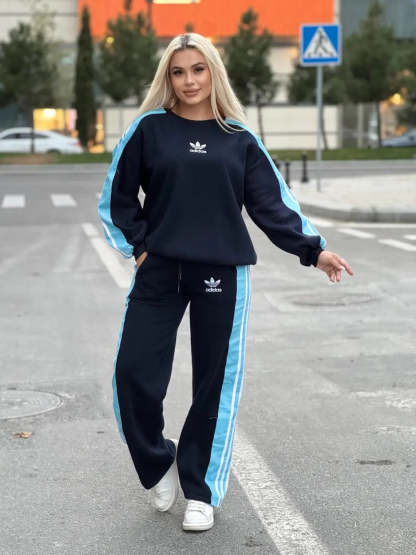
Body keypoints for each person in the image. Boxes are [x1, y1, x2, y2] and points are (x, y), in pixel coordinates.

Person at [97, 32, 354, 533]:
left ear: (213, 71)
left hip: (222, 272)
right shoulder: (149, 129)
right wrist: (141, 248)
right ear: (167, 78)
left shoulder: (238, 138)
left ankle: (201, 490)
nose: (189, 80)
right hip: (159, 271)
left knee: (215, 382)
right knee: (132, 373)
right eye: (178, 72)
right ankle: (157, 463)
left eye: (198, 69)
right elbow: (117, 198)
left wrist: (314, 250)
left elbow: (272, 204)